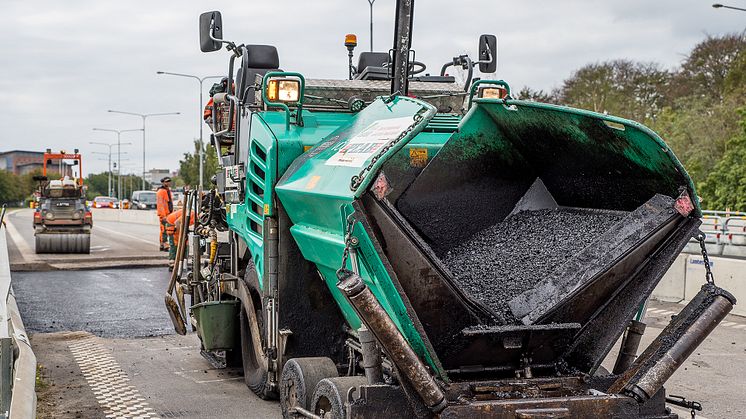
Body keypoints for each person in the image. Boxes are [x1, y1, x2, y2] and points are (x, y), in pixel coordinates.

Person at [165, 202, 194, 270]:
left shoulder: (195, 216)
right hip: (172, 225)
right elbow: (177, 222)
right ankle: (172, 264)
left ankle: (183, 265)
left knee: (185, 244)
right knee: (175, 245)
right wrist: (182, 232)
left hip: (178, 226)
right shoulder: (191, 214)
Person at [156, 177, 174, 251]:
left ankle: (162, 245)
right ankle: (165, 245)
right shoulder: (161, 191)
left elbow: (169, 203)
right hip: (164, 215)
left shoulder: (167, 191)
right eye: (166, 182)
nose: (168, 183)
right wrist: (163, 216)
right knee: (164, 230)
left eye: (169, 181)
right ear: (163, 183)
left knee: (165, 230)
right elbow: (160, 205)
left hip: (169, 214)